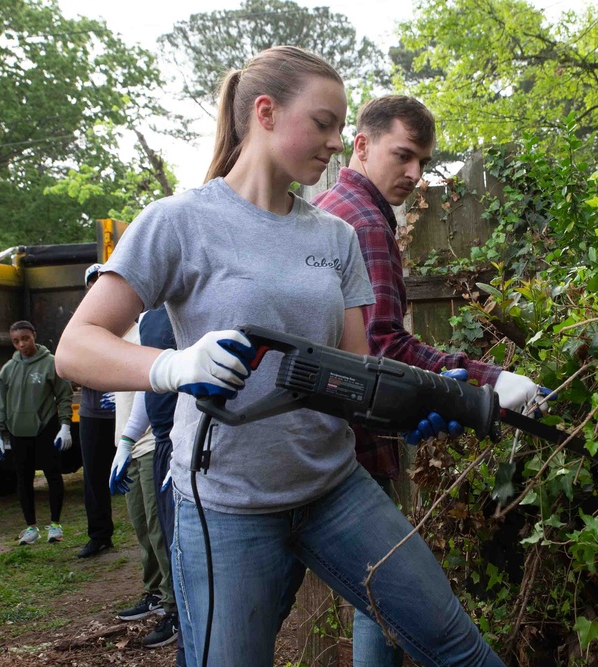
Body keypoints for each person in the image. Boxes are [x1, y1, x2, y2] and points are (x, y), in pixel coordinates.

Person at [55, 45, 506, 667]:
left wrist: (416, 406)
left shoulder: (335, 236)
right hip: (226, 506)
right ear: (264, 112)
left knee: (457, 648)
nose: (336, 141)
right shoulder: (180, 222)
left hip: (334, 488)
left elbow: (356, 376)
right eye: (323, 123)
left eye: (341, 127)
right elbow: (76, 347)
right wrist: (172, 367)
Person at [313, 95, 543, 666]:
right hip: (350, 452)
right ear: (361, 146)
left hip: (324, 437)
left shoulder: (329, 206)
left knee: (374, 595)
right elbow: (384, 347)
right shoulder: (364, 222)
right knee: (384, 590)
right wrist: (490, 380)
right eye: (404, 155)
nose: (415, 175)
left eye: (423, 162)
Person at [109, 322, 180, 649]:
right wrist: (125, 440)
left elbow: (158, 381)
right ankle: (155, 591)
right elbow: (141, 387)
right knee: (142, 525)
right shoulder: (124, 333)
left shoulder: (155, 324)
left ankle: (174, 607)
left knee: (160, 527)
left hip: (157, 442)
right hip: (134, 443)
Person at [0, 320, 73, 545]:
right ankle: (30, 528)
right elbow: (1, 404)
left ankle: (55, 526)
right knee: (24, 480)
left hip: (45, 428)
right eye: (16, 341)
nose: (22, 344)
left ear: (34, 335)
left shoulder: (50, 364)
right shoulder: (8, 369)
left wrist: (65, 425)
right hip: (18, 432)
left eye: (25, 338)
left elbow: (64, 395)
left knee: (52, 475)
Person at [77, 264, 118, 559]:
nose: (96, 287)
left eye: (100, 282)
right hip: (93, 412)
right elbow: (71, 366)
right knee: (93, 477)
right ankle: (99, 535)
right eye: (91, 284)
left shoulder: (126, 317)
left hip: (126, 413)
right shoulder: (81, 323)